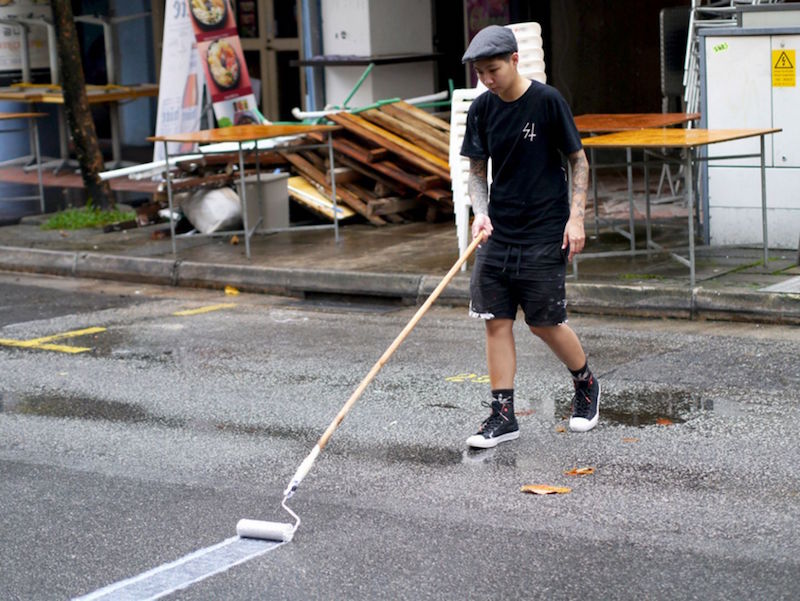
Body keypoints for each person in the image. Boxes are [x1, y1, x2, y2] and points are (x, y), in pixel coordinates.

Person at [459, 25, 600, 448]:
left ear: (515, 61)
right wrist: (480, 214)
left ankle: (586, 383)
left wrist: (576, 219)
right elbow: (476, 173)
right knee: (495, 322)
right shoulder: (482, 109)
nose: (487, 79)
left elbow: (579, 161)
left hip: (544, 230)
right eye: (480, 73)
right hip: (499, 232)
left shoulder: (547, 101)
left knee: (544, 322)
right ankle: (503, 415)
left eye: (493, 70)